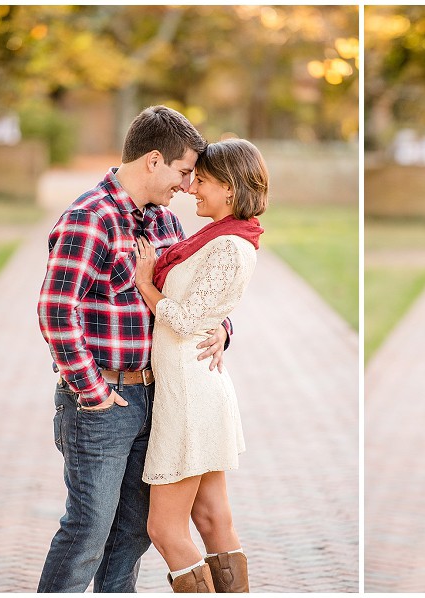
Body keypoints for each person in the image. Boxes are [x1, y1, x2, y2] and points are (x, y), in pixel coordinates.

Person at [37, 105, 231, 592]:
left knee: (130, 535)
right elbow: (57, 312)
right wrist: (94, 391)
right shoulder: (90, 218)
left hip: (159, 400)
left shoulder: (165, 222)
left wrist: (224, 328)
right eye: (184, 171)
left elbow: (195, 290)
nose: (187, 186)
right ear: (152, 160)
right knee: (88, 533)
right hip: (104, 402)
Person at [133, 139, 267, 593]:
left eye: (203, 181)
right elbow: (206, 310)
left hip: (188, 396)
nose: (193, 189)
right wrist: (222, 328)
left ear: (230, 188)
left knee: (165, 531)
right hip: (196, 383)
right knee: (211, 518)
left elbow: (189, 319)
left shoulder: (230, 245)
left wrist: (147, 285)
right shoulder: (223, 237)